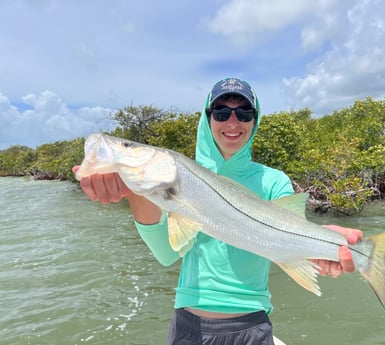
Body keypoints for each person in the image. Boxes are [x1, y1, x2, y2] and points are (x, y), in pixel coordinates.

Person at [76, 77, 363, 345]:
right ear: (208, 117)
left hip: (251, 327)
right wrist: (132, 190)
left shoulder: (273, 181)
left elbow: (291, 233)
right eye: (221, 112)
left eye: (244, 112)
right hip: (189, 327)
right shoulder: (180, 177)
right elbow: (166, 253)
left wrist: (324, 243)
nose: (233, 121)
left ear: (255, 119)